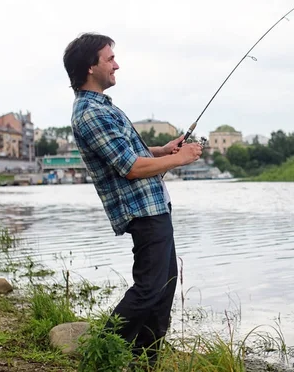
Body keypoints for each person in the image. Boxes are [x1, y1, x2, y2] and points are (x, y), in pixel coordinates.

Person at [63, 33, 202, 362]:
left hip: (154, 208)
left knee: (164, 288)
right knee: (148, 290)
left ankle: (144, 362)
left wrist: (163, 150)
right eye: (109, 59)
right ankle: (99, 360)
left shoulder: (101, 108)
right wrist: (180, 159)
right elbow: (129, 167)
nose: (117, 65)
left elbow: (126, 153)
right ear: (90, 68)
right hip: (143, 213)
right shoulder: (90, 114)